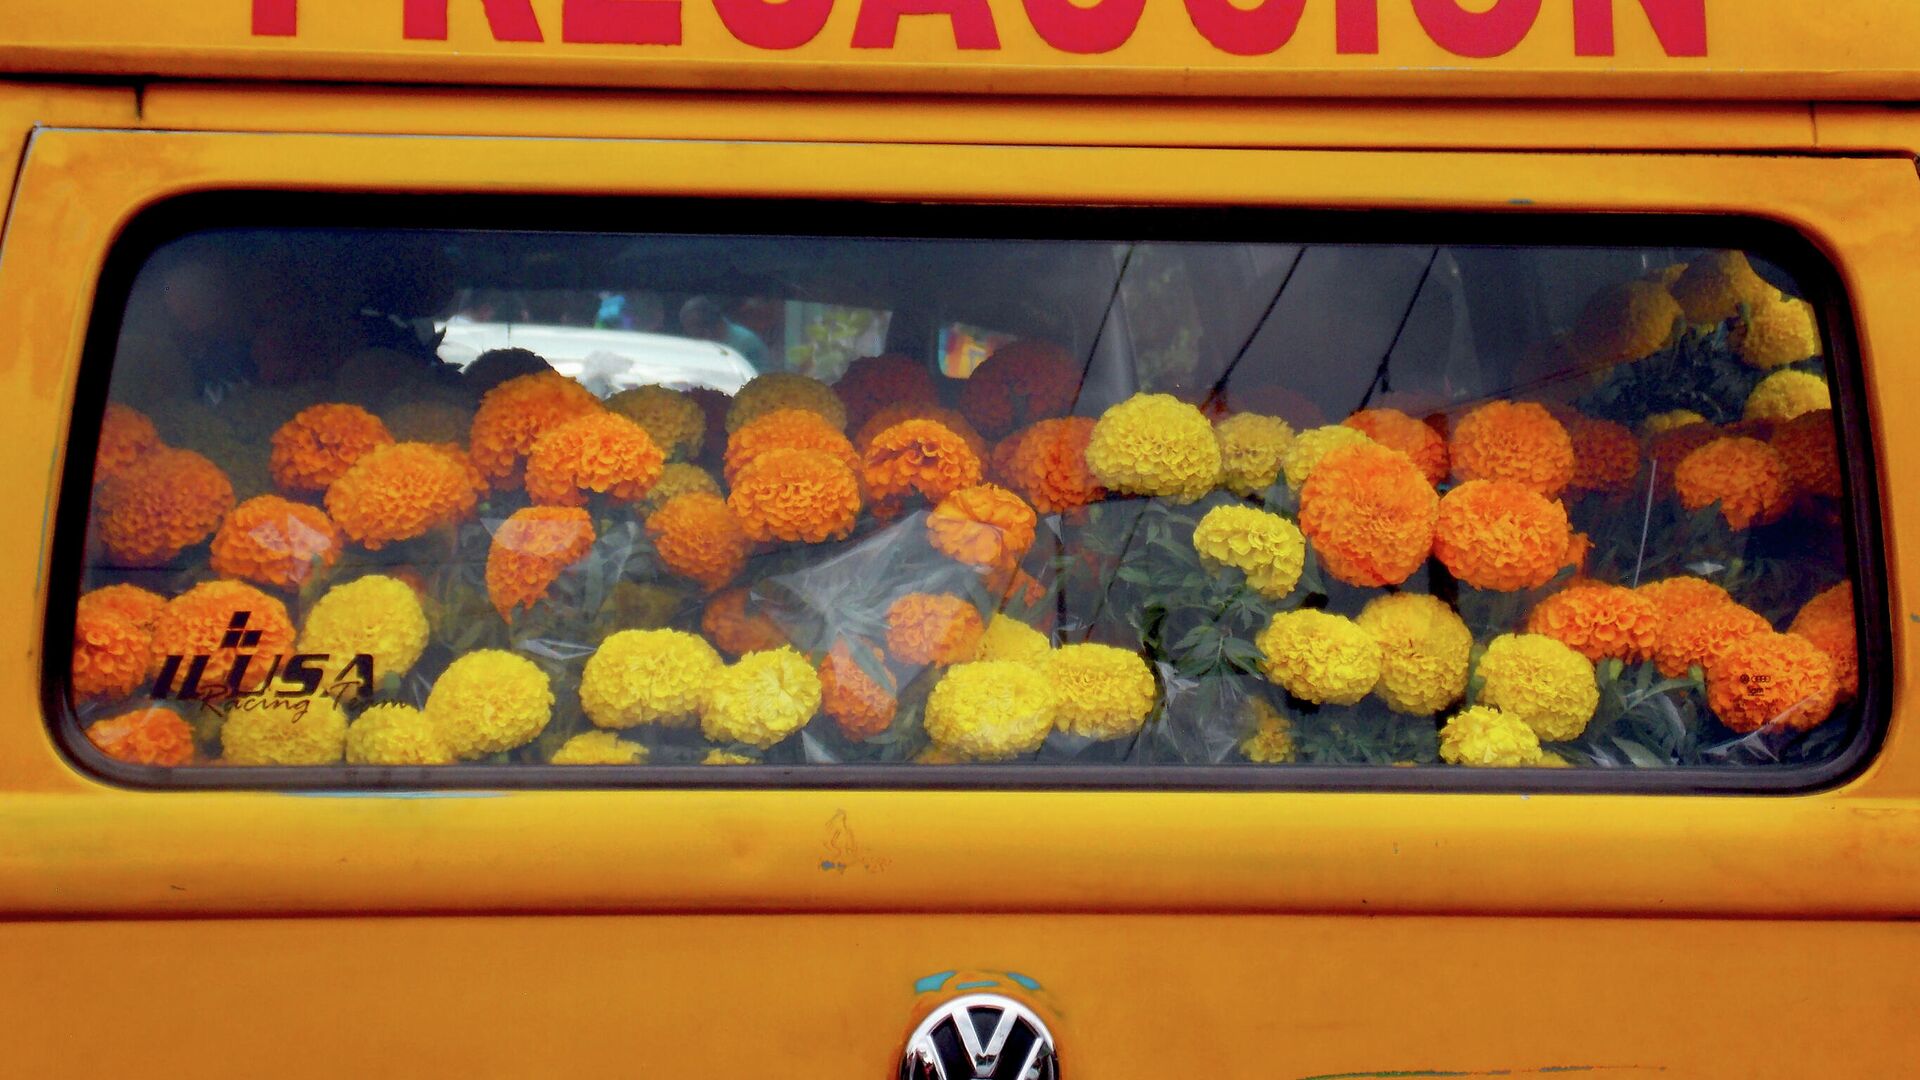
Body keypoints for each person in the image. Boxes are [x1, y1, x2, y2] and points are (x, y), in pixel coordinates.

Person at [679, 295, 770, 369]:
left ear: (708, 326)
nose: (693, 336)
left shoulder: (746, 343)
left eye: (694, 329)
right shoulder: (702, 346)